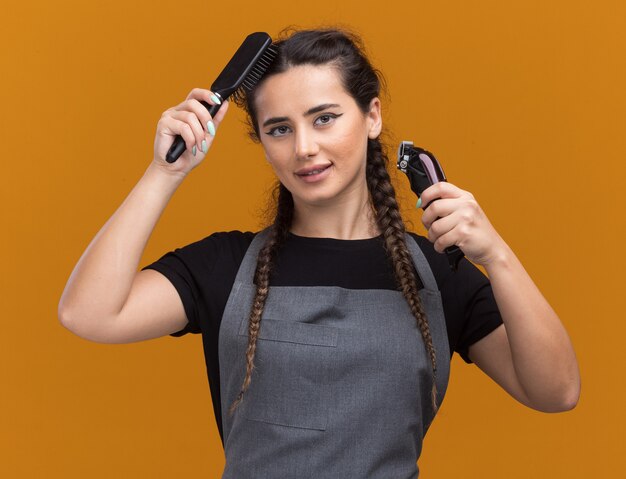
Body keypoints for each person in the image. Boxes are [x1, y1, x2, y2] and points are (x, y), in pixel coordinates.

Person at [59, 27, 581, 478]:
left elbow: (556, 391)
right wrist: (164, 171)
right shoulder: (224, 266)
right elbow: (88, 314)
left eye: (324, 118)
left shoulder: (435, 274)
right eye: (279, 129)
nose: (303, 147)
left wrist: (498, 257)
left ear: (372, 115)